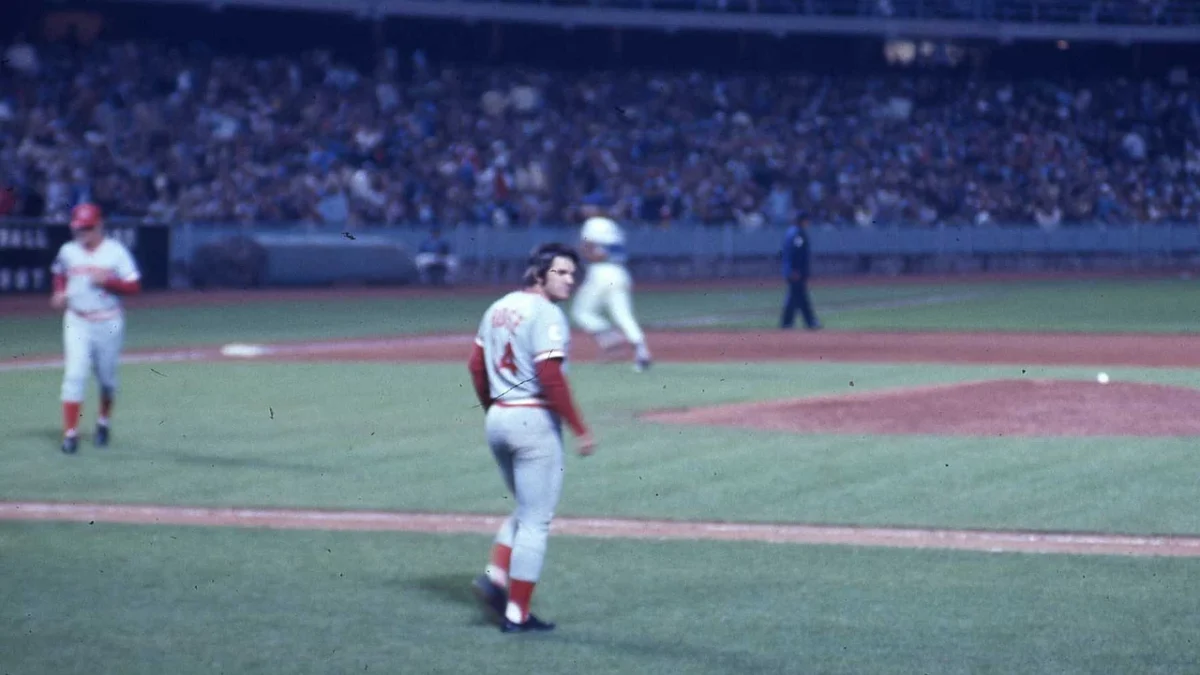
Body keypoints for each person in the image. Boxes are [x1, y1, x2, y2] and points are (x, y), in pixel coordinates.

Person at [466, 242, 597, 634]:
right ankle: (517, 615)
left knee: (526, 508)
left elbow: (476, 366)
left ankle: (495, 577)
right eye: (560, 272)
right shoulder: (547, 314)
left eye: (573, 273)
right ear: (538, 274)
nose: (569, 279)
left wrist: (493, 408)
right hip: (533, 420)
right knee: (537, 520)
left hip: (500, 418)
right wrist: (580, 427)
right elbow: (551, 378)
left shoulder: (499, 307)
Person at [50, 203, 142, 454]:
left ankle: (103, 422)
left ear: (99, 225)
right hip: (77, 320)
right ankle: (70, 434)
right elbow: (59, 272)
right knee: (74, 377)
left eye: (88, 228)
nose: (83, 233)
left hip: (108, 322)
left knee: (107, 380)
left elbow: (134, 286)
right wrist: (59, 292)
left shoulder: (115, 252)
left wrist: (109, 281)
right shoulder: (68, 250)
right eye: (79, 228)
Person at [570, 208, 653, 372]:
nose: (586, 209)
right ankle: (642, 352)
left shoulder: (592, 223)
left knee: (581, 312)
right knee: (623, 315)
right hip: (620, 272)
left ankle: (610, 339)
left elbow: (591, 250)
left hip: (601, 273)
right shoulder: (614, 227)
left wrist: (580, 253)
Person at [779, 211, 821, 330]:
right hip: (796, 272)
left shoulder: (791, 232)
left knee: (799, 297)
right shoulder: (797, 234)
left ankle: (804, 322)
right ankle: (800, 322)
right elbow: (796, 254)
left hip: (792, 271)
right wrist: (795, 270)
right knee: (797, 297)